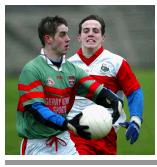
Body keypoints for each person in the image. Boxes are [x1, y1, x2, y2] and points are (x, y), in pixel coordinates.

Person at [16, 15, 123, 155]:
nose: (68, 38)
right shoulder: (32, 70)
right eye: (62, 34)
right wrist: (67, 124)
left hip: (64, 140)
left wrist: (114, 101)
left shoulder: (72, 70)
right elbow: (37, 109)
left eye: (67, 33)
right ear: (48, 39)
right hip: (37, 144)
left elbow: (97, 91)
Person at [67, 15, 144, 155]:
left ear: (103, 37)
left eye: (95, 31)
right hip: (76, 134)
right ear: (79, 37)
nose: (90, 33)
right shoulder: (67, 66)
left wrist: (136, 119)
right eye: (86, 30)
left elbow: (134, 91)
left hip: (107, 133)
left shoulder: (117, 62)